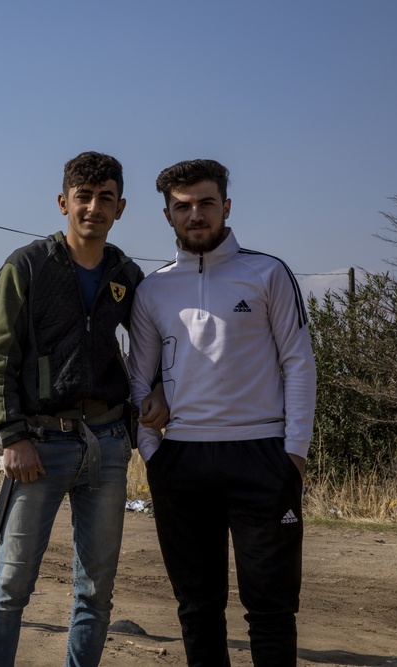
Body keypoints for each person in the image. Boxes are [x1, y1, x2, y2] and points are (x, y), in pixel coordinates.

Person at [0, 151, 167, 667]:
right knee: (12, 583)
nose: (93, 208)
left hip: (106, 447)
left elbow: (154, 343)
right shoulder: (27, 266)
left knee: (96, 591)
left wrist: (158, 392)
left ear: (120, 207)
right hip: (39, 443)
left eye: (105, 198)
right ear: (64, 202)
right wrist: (11, 435)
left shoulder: (126, 274)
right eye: (83, 197)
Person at [128, 159, 317, 666]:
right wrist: (153, 455)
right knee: (197, 608)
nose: (196, 215)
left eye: (206, 204)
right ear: (167, 215)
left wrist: (293, 455)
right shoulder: (153, 289)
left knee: (272, 610)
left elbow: (299, 363)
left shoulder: (268, 273)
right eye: (183, 207)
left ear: (226, 207)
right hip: (181, 462)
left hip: (262, 458)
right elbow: (138, 380)